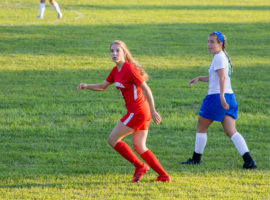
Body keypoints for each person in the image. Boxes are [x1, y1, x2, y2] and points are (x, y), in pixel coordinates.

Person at [77, 40, 171, 182]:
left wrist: (153, 110)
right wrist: (86, 86)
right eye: (112, 51)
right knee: (140, 146)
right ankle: (163, 176)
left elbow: (146, 89)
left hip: (138, 111)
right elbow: (103, 86)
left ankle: (140, 166)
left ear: (124, 53)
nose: (114, 54)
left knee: (112, 139)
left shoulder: (130, 69)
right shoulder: (116, 71)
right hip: (139, 111)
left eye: (117, 51)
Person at [181, 32, 257, 169]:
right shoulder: (222, 57)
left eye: (212, 42)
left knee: (201, 127)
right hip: (230, 96)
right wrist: (199, 78)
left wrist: (221, 97)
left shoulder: (218, 58)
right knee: (231, 131)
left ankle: (196, 159)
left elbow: (222, 78)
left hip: (216, 97)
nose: (209, 44)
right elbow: (215, 77)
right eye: (208, 41)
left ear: (220, 44)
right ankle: (249, 160)